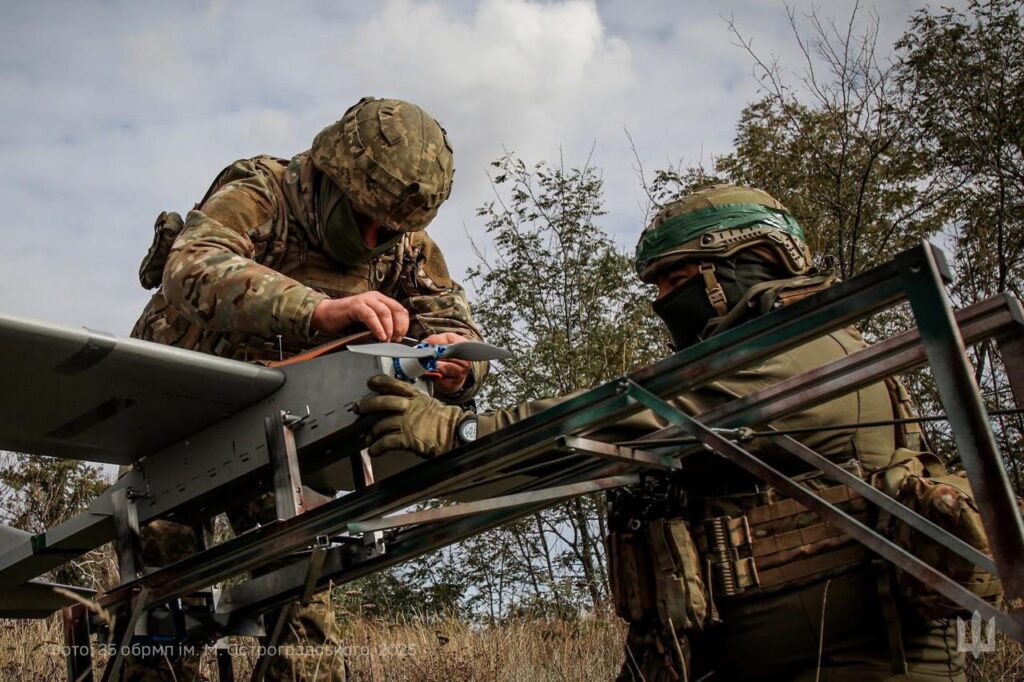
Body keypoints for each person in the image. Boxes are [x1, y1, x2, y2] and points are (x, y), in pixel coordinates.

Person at [357, 184, 973, 681]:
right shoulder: (777, 350)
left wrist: (461, 431)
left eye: (673, 283)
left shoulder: (809, 351)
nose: (660, 303)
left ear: (732, 267)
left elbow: (633, 417)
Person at [124, 97, 487, 681]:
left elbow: (457, 326)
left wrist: (459, 367)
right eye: (364, 217)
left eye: (389, 228)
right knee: (164, 618)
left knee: (303, 613)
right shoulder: (262, 191)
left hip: (278, 438)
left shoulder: (405, 241)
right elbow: (192, 267)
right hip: (175, 424)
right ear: (331, 177)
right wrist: (318, 311)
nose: (374, 238)